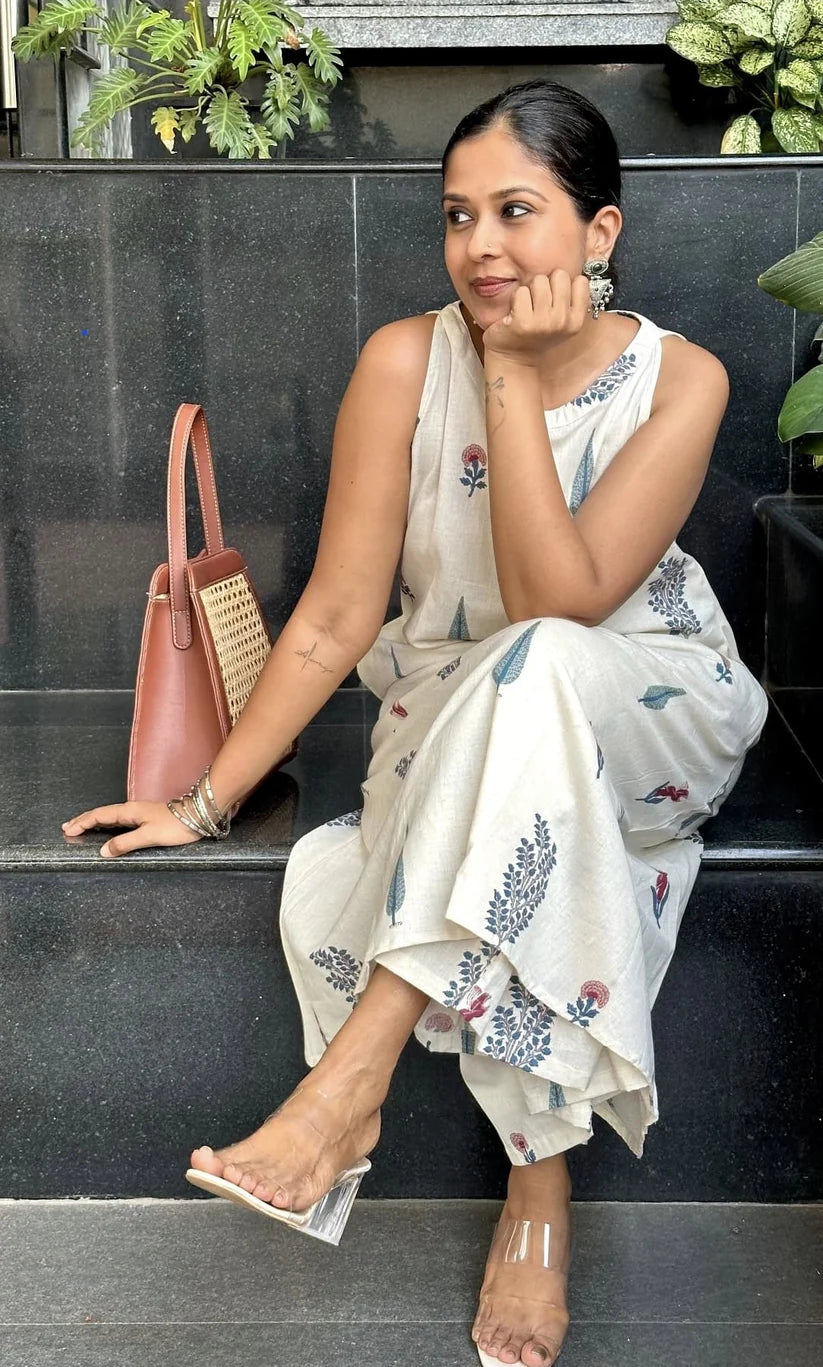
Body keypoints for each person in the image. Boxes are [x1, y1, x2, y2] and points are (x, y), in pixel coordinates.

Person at [62, 79, 769, 1367]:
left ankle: (350, 1085)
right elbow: (334, 617)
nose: (480, 248)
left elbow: (564, 602)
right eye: (457, 217)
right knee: (509, 715)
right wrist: (205, 800)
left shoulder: (685, 380)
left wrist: (507, 373)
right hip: (458, 712)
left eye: (516, 212)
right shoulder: (402, 360)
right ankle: (539, 1191)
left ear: (599, 233)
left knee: (546, 661)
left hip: (647, 704)